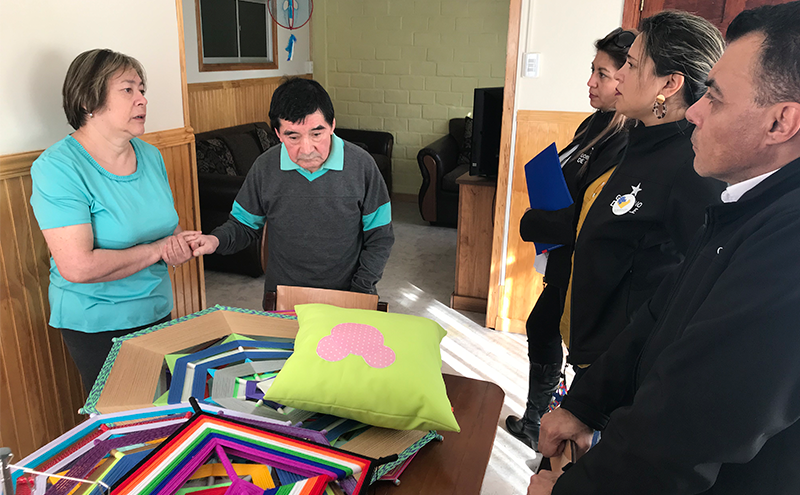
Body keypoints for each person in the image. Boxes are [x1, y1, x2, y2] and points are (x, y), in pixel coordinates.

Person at [531, 2, 800, 493]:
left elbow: (692, 419)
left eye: (715, 97)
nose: (696, 111)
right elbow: (665, 306)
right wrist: (586, 403)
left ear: (781, 123)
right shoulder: (740, 199)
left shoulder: (785, 243)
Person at [559, 11, 725, 379]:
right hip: (595, 349)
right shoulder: (642, 140)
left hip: (624, 366)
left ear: (670, 83)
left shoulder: (690, 165)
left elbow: (698, 287)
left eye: (631, 65)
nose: (618, 75)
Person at [30, 49, 196, 391]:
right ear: (88, 100)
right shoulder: (58, 167)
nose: (142, 99)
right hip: (97, 321)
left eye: (142, 89)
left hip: (157, 309)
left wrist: (184, 244)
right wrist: (158, 250)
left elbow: (167, 230)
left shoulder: (150, 155)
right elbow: (78, 266)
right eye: (128, 89)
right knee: (126, 417)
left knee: (166, 407)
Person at [506, 27, 635, 450]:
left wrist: (533, 222)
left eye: (603, 74)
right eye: (592, 70)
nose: (591, 82)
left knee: (578, 350)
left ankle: (563, 433)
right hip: (561, 257)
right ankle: (535, 420)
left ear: (627, 79)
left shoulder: (626, 141)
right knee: (542, 326)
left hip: (585, 265)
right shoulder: (595, 122)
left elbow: (587, 219)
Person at [188, 78, 393, 309]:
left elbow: (380, 236)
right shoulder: (265, 167)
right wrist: (214, 240)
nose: (306, 149)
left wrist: (360, 290)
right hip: (284, 297)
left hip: (349, 294)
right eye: (293, 137)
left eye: (317, 134)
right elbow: (244, 225)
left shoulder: (362, 165)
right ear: (278, 133)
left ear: (332, 126)